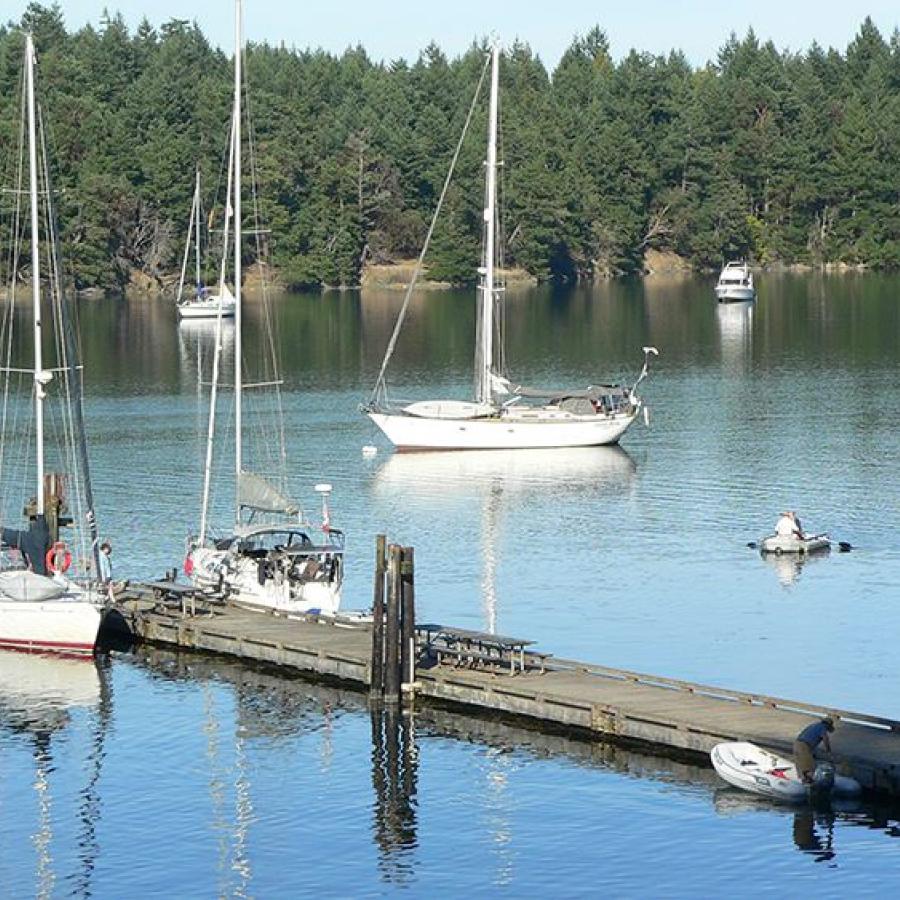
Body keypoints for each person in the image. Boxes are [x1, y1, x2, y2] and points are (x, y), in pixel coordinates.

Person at [793, 717, 834, 784]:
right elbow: (825, 738)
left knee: (802, 766)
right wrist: (828, 750)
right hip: (803, 746)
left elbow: (809, 738)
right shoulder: (822, 727)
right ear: (828, 725)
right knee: (811, 766)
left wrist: (812, 753)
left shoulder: (814, 725)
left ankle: (804, 782)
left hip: (797, 744)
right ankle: (809, 783)